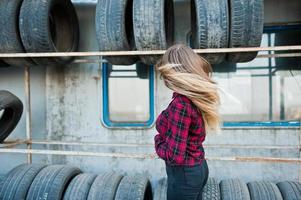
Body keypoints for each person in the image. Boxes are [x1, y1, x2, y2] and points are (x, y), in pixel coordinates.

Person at [154, 44, 220, 200]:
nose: (164, 79)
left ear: (174, 74)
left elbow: (174, 155)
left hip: (185, 175)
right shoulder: (192, 98)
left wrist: (158, 142)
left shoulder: (181, 104)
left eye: (166, 74)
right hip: (197, 168)